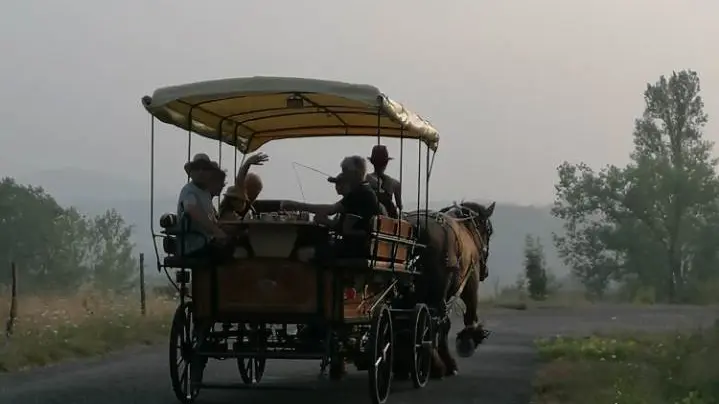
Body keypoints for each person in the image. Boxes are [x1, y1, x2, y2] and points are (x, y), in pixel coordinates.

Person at [282, 155, 381, 256]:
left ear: (355, 173)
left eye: (345, 170)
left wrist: (297, 205)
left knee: (303, 252)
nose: (343, 174)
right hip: (361, 246)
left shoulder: (360, 193)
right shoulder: (363, 190)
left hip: (356, 249)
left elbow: (332, 210)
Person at [176, 153, 230, 260]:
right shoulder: (189, 191)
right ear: (191, 173)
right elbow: (194, 211)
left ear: (210, 173)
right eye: (196, 168)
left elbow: (209, 217)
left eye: (205, 168)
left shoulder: (205, 192)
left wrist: (223, 228)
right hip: (193, 246)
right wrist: (216, 231)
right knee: (228, 254)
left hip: (204, 241)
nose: (201, 172)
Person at [217, 153, 268, 220]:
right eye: (253, 191)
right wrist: (247, 163)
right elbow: (240, 181)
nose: (254, 196)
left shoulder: (249, 207)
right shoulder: (228, 214)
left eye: (257, 192)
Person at [366, 145, 402, 218]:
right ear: (386, 163)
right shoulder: (395, 183)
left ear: (372, 162)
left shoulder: (364, 179)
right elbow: (399, 206)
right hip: (386, 223)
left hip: (367, 218)